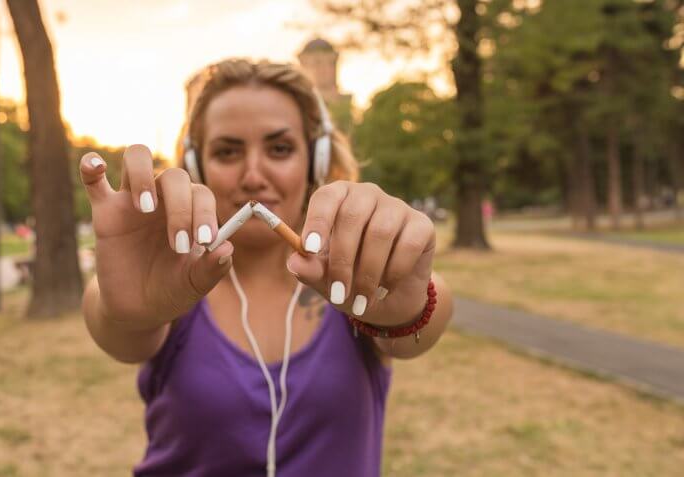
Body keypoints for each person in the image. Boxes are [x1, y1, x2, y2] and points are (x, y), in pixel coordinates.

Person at [79, 59, 454, 477]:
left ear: (315, 161)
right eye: (227, 151)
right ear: (196, 165)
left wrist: (404, 304)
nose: (254, 175)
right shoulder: (171, 281)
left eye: (279, 149)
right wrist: (132, 310)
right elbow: (117, 324)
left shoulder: (352, 274)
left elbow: (425, 315)